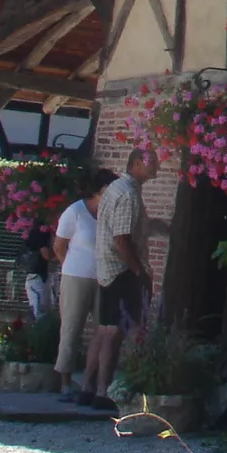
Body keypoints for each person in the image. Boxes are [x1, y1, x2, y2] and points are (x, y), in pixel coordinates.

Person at [83, 148, 158, 411]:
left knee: (103, 331)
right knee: (114, 333)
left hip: (106, 268)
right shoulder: (127, 194)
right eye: (152, 162)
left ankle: (87, 388)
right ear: (137, 163)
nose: (157, 168)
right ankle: (104, 392)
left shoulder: (115, 188)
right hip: (120, 270)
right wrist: (138, 271)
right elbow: (121, 238)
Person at [53, 171, 114, 402]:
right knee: (71, 327)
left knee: (103, 331)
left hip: (104, 278)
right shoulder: (75, 212)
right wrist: (71, 265)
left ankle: (94, 384)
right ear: (100, 190)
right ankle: (65, 383)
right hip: (77, 276)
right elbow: (59, 245)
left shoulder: (110, 214)